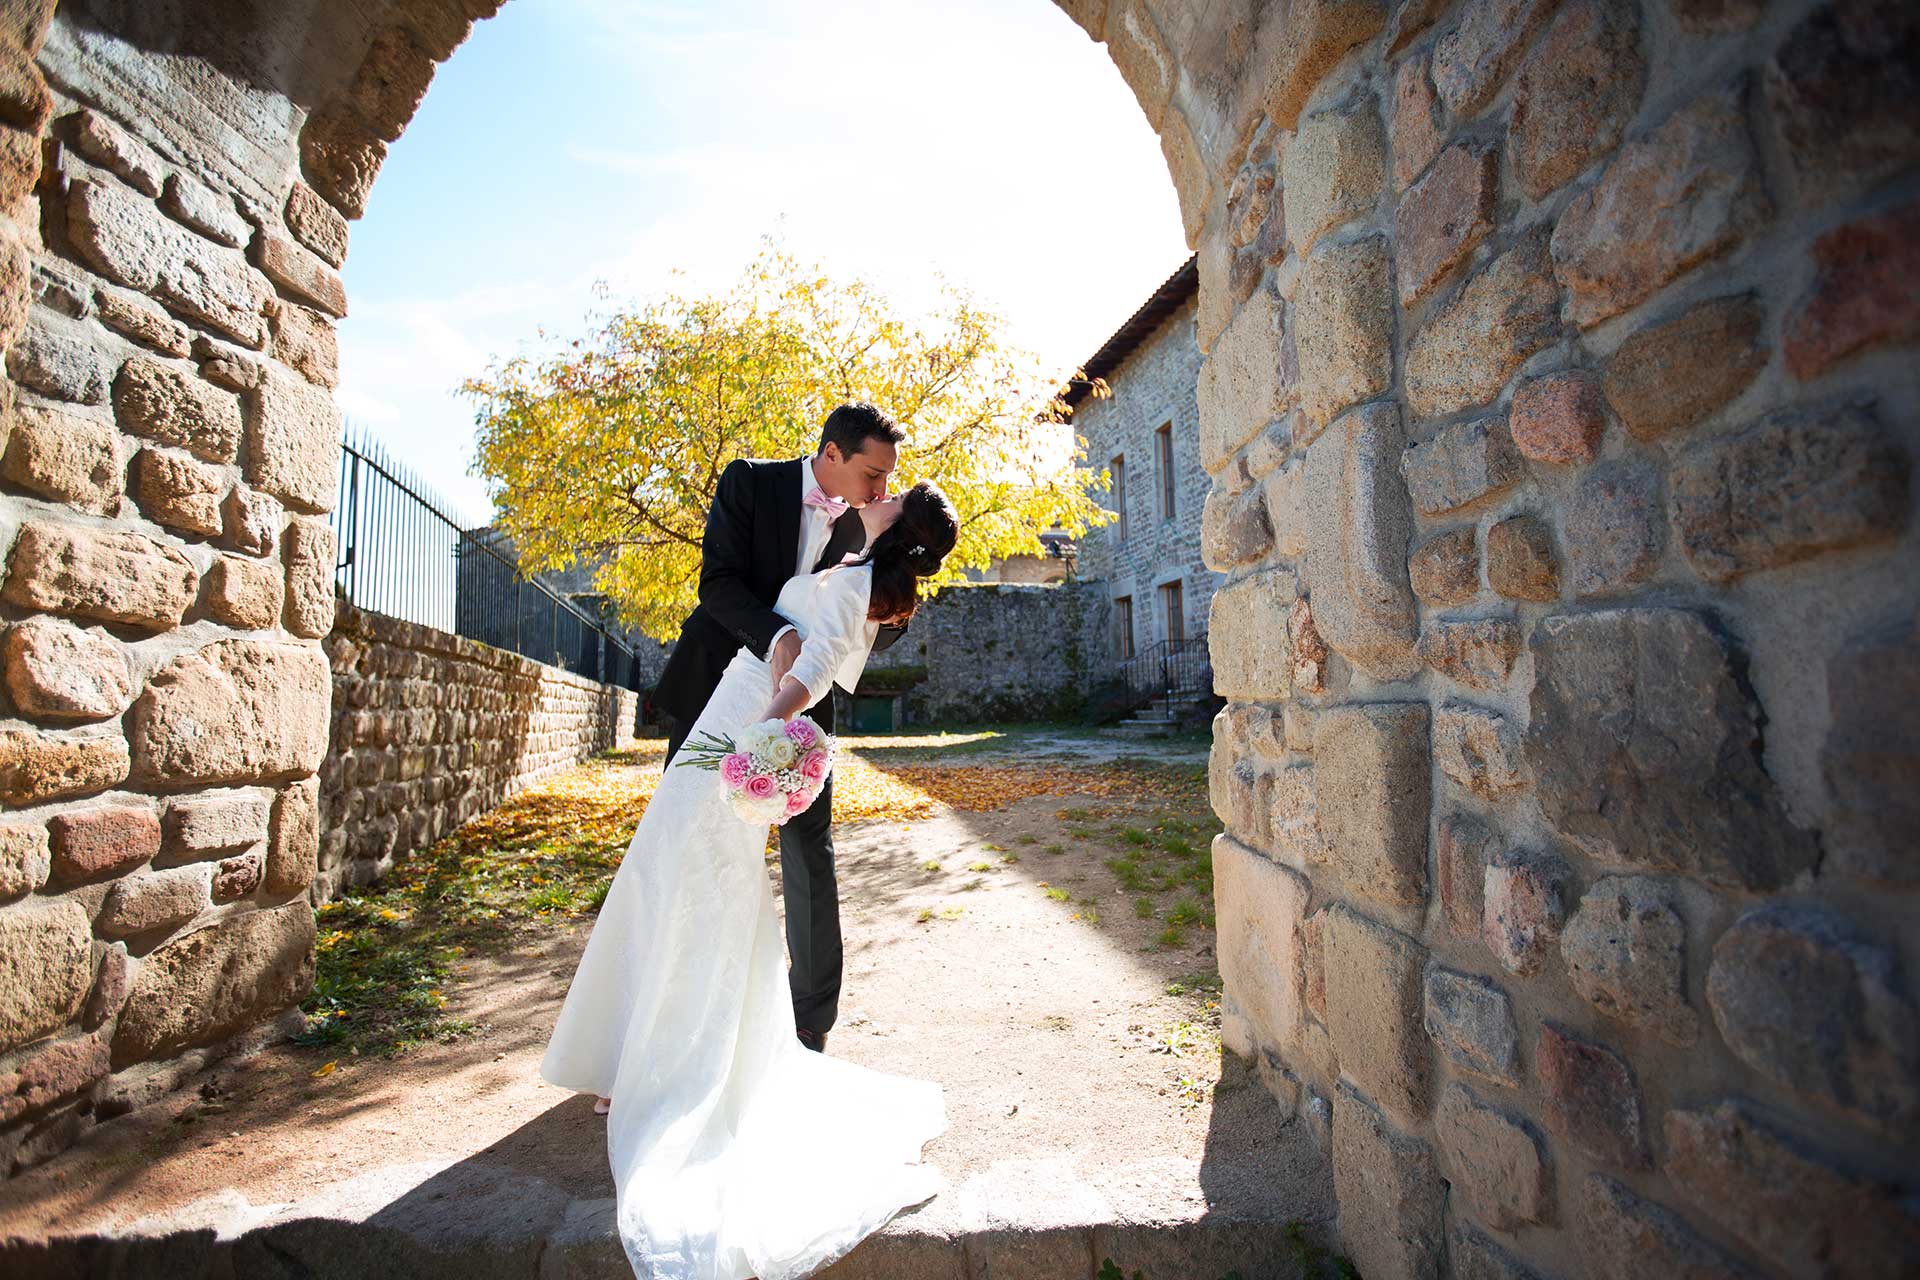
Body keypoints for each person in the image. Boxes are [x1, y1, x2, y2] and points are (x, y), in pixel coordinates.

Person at [540, 471, 962, 1280]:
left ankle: (668, 1069)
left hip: (740, 726)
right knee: (668, 875)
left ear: (897, 520)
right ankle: (638, 1051)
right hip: (726, 707)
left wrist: (760, 735)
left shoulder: (858, 585)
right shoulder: (854, 568)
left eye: (890, 491)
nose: (876, 492)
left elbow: (815, 669)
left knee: (695, 887)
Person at [650, 402, 908, 1054]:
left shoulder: (872, 521)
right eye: (873, 474)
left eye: (888, 477)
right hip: (714, 685)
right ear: (832, 454)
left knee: (808, 849)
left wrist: (893, 608)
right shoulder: (748, 481)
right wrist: (778, 635)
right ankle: (666, 1002)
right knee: (685, 836)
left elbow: (867, 621)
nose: (883, 488)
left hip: (803, 707)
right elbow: (718, 585)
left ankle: (809, 1020)